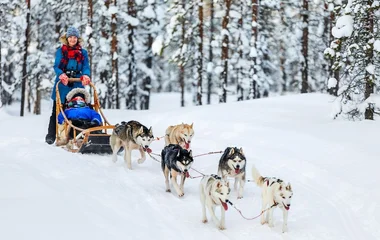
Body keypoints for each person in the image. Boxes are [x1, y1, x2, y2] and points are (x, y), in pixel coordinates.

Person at [45, 26, 91, 144]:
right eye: (70, 37)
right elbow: (56, 66)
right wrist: (61, 74)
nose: (72, 39)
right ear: (67, 38)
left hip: (77, 83)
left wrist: (86, 75)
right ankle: (51, 135)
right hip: (62, 84)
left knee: (80, 107)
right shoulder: (61, 51)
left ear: (77, 38)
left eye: (74, 37)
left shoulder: (83, 52)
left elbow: (86, 66)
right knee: (57, 109)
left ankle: (80, 132)